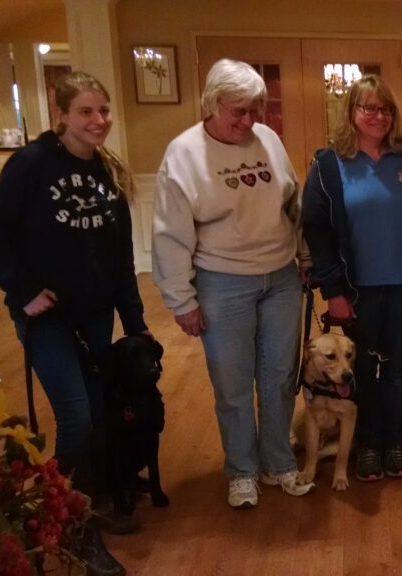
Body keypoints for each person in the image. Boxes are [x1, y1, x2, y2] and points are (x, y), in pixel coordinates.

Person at [0, 71, 142, 576]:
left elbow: (120, 260)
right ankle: (71, 523)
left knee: (96, 409)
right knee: (76, 414)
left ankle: (85, 499)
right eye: (86, 112)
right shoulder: (31, 165)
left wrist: (134, 323)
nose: (98, 121)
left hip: (95, 314)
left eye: (103, 111)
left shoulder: (108, 172)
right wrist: (22, 290)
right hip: (48, 318)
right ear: (60, 115)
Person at [151, 59, 311, 509]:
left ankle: (278, 462)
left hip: (281, 275)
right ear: (211, 104)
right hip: (222, 281)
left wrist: (304, 254)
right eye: (237, 111)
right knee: (233, 383)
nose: (247, 121)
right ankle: (242, 470)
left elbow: (291, 202)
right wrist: (181, 299)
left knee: (280, 375)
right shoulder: (183, 154)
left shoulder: (269, 140)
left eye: (254, 110)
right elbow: (169, 234)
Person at [303, 75, 402, 482]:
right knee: (363, 368)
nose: (377, 116)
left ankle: (394, 441)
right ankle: (367, 443)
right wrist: (333, 291)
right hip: (357, 290)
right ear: (351, 111)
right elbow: (316, 231)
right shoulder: (329, 163)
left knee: (395, 366)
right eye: (368, 107)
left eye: (385, 108)